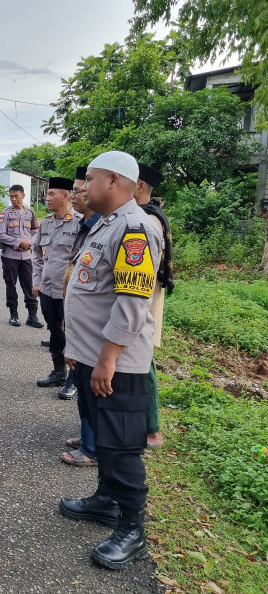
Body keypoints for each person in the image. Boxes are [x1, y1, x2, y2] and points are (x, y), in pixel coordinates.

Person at [59, 150, 163, 570]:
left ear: (115, 181)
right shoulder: (105, 224)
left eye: (89, 178)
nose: (82, 186)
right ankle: (106, 500)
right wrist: (79, 349)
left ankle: (132, 530)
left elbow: (132, 302)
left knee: (121, 447)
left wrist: (107, 359)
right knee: (103, 437)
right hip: (92, 357)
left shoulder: (135, 229)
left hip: (116, 364)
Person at [59, 166, 102, 468]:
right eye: (76, 187)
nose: (77, 193)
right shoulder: (87, 226)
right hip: (79, 320)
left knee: (91, 385)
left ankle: (93, 447)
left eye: (82, 187)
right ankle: (88, 438)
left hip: (94, 326)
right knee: (83, 385)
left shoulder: (106, 226)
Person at [136, 163, 174, 449]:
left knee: (143, 358)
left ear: (139, 187)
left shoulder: (149, 220)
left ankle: (152, 429)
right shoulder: (143, 214)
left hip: (144, 295)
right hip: (143, 294)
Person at [32, 177, 80, 388]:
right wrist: (36, 281)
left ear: (66, 196)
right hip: (47, 289)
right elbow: (36, 254)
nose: (47, 197)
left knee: (71, 332)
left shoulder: (80, 223)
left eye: (51, 194)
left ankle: (73, 378)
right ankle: (58, 371)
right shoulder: (46, 222)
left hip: (69, 292)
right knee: (54, 331)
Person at [0, 184, 43, 328]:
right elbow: (0, 234)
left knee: (29, 285)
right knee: (11, 285)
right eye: (11, 196)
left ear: (23, 195)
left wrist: (30, 242)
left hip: (27, 256)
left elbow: (36, 231)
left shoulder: (30, 213)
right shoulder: (6, 213)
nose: (14, 199)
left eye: (16, 196)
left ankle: (32, 316)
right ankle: (14, 314)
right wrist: (18, 242)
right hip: (10, 256)